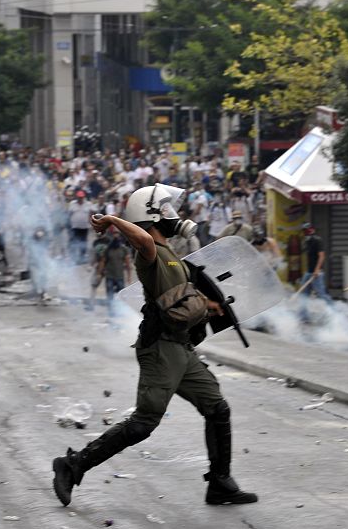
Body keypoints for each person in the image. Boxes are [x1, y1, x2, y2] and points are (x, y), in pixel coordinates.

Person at [51, 184, 257, 508]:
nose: (173, 215)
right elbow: (144, 238)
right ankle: (73, 465)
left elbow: (181, 296)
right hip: (160, 349)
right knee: (144, 423)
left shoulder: (174, 256)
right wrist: (114, 219)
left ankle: (220, 483)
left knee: (217, 408)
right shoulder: (148, 253)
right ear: (151, 216)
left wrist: (211, 306)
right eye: (165, 210)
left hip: (182, 349)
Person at [100, 234, 132, 317]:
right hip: (109, 276)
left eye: (117, 237)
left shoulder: (124, 249)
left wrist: (129, 276)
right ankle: (111, 312)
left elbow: (128, 264)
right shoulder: (108, 249)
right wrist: (100, 272)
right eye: (114, 237)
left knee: (121, 295)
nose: (115, 239)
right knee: (110, 295)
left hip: (119, 277)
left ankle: (121, 311)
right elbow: (103, 261)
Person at [299, 222, 332, 303]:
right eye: (304, 231)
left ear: (312, 230)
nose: (305, 233)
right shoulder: (307, 242)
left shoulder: (318, 240)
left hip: (317, 273)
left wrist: (317, 270)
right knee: (304, 293)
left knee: (321, 294)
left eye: (306, 230)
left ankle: (333, 312)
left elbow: (322, 256)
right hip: (309, 272)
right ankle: (303, 313)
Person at [68, 190, 92, 264]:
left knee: (84, 242)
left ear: (83, 197)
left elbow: (91, 214)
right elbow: (69, 214)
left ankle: (82, 258)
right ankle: (73, 258)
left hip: (84, 227)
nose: (80, 199)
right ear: (77, 197)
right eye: (79, 197)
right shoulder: (72, 204)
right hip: (75, 227)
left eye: (81, 197)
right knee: (74, 242)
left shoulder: (88, 204)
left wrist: (91, 222)